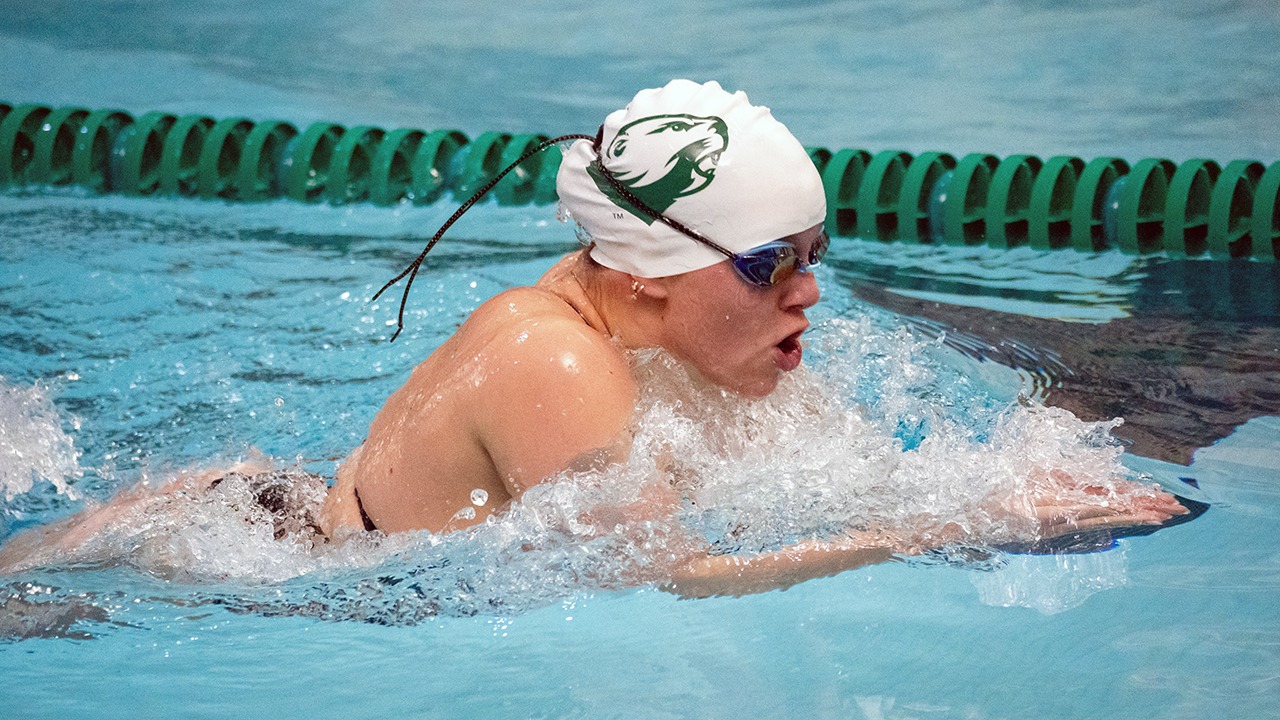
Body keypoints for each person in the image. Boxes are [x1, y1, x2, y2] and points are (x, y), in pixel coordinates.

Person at [0, 80, 1187, 596]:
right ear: (652, 273)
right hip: (259, 580)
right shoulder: (553, 359)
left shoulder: (671, 329)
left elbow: (843, 484)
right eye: (770, 265)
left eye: (814, 256)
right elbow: (669, 582)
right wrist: (959, 522)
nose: (807, 296)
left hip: (278, 510)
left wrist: (1008, 486)